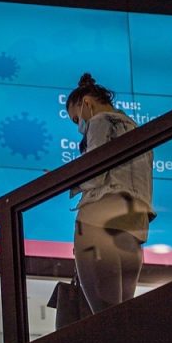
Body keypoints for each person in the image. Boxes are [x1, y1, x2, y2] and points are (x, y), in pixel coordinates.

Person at [65, 73, 155, 314]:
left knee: (104, 317)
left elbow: (95, 176)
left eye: (76, 119)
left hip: (98, 224)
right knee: (122, 315)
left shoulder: (99, 122)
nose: (79, 127)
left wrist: (67, 180)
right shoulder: (137, 130)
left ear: (86, 103)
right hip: (134, 228)